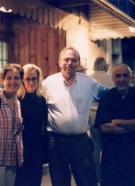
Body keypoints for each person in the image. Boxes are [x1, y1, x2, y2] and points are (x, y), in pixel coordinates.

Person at [43, 46, 108, 186]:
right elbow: (38, 102)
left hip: (81, 142)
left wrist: (134, 87)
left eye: (74, 60)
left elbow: (108, 94)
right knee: (59, 181)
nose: (70, 63)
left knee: (87, 180)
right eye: (66, 59)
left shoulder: (88, 82)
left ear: (78, 63)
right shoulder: (49, 83)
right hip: (56, 142)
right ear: (60, 62)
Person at [95, 64, 135, 186]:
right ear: (113, 78)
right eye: (118, 76)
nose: (121, 79)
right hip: (112, 153)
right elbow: (103, 128)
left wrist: (118, 122)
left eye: (125, 76)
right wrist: (134, 125)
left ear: (131, 78)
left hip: (134, 152)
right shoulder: (106, 98)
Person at [15, 64, 48, 186]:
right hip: (21, 148)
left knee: (35, 181)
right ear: (23, 80)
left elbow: (43, 125)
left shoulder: (41, 100)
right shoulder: (17, 99)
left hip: (37, 148)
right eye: (28, 78)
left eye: (34, 78)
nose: (31, 82)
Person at [89, 57, 114, 183]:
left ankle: (96, 176)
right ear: (105, 67)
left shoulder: (89, 78)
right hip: (108, 120)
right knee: (108, 148)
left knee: (95, 148)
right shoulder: (111, 79)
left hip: (92, 118)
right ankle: (107, 176)